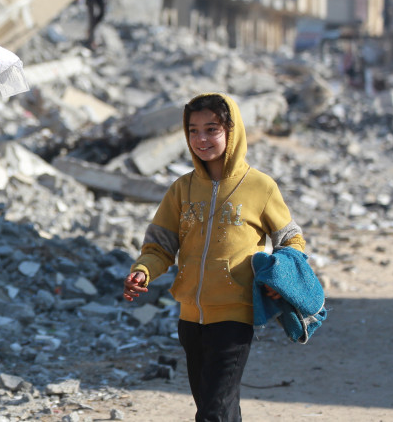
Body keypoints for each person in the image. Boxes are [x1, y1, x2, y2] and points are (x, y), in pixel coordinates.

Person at [122, 93, 306, 422]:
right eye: (193, 130)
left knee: (212, 414)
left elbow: (290, 239)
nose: (201, 139)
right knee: (218, 405)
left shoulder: (260, 187)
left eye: (212, 129)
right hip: (190, 320)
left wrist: (282, 278)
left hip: (235, 317)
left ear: (231, 131)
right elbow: (160, 246)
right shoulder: (182, 189)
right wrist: (143, 272)